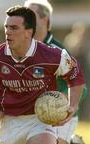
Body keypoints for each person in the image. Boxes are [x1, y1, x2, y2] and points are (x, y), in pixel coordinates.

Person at [0, 5, 85, 144]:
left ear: (28, 32)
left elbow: (76, 74)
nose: (7, 32)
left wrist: (72, 106)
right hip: (10, 122)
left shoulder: (52, 55)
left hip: (39, 120)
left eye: (14, 28)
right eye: (6, 27)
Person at [24, 1, 87, 144]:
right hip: (32, 115)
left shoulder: (58, 52)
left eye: (30, 15)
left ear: (44, 19)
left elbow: (81, 88)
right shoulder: (20, 49)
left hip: (59, 114)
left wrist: (61, 100)